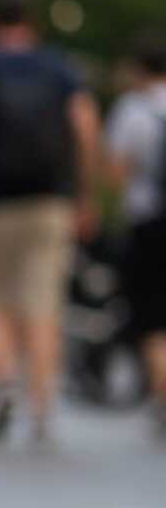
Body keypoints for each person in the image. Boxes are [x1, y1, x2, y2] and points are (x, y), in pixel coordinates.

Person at [0, 0, 101, 446]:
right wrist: (86, 195)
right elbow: (86, 129)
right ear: (33, 24)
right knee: (43, 301)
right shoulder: (60, 68)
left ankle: (5, 381)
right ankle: (42, 405)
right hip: (50, 201)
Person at [106, 29, 166, 436]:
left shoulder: (133, 110)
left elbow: (116, 173)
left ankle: (163, 398)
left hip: (151, 224)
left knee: (155, 316)